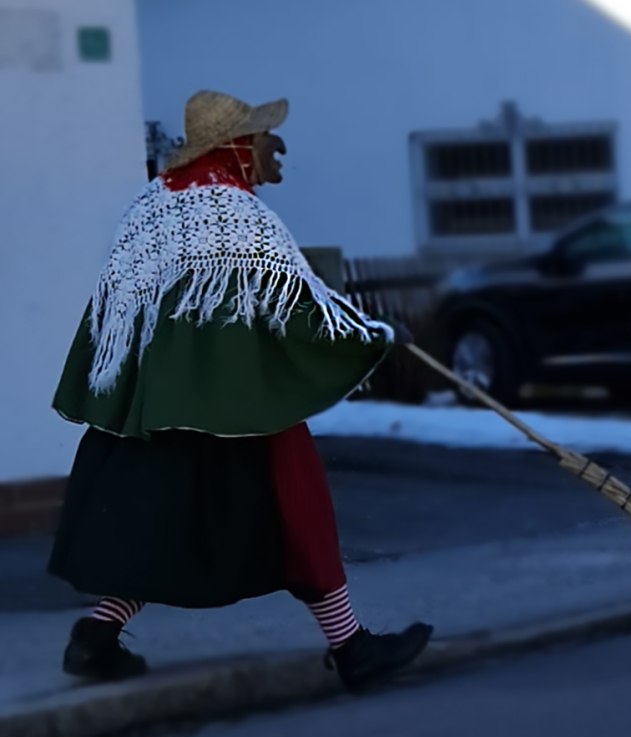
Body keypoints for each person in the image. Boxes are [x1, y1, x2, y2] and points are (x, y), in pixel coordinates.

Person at [48, 90, 434, 692]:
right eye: (263, 139)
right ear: (235, 147)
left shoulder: (148, 208)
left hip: (156, 409)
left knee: (163, 521)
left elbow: (116, 310)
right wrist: (375, 337)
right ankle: (352, 648)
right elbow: (300, 310)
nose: (274, 150)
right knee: (299, 511)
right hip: (240, 406)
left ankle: (96, 635)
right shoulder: (239, 215)